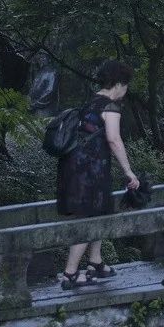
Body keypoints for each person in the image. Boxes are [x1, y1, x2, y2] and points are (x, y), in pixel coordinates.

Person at [58, 58, 139, 289]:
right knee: (87, 217)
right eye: (126, 85)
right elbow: (114, 139)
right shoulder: (110, 107)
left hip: (77, 167)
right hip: (91, 170)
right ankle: (70, 274)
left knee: (97, 213)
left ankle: (95, 262)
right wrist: (128, 172)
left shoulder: (91, 102)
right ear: (119, 84)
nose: (126, 90)